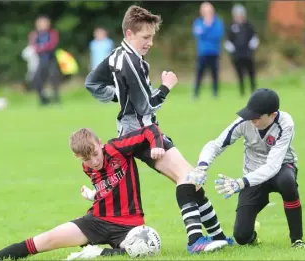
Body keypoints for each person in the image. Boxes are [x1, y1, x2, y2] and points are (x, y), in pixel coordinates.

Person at [85, 5, 231, 254]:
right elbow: (147, 106)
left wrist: (120, 98)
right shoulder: (131, 62)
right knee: (186, 177)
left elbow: (92, 83)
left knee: (189, 178)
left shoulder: (116, 55)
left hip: (136, 132)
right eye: (145, 37)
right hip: (142, 135)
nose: (150, 42)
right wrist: (167, 86)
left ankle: (218, 235)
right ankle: (196, 240)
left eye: (152, 37)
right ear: (130, 34)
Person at [0, 125, 168, 261]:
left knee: (140, 251)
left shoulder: (116, 148)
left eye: (96, 153)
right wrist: (93, 196)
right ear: (77, 157)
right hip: (96, 221)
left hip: (129, 224)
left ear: (100, 143)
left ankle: (98, 252)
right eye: (87, 159)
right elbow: (109, 191)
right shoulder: (87, 168)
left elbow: (150, 130)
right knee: (47, 239)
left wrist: (157, 146)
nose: (94, 161)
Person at [196, 88, 305, 248]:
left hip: (281, 167)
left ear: (272, 115)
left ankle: (297, 240)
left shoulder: (285, 123)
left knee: (287, 181)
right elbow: (215, 145)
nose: (251, 120)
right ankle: (252, 234)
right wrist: (202, 167)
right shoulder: (244, 122)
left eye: (256, 117)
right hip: (252, 174)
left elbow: (272, 166)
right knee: (241, 236)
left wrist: (240, 183)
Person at [224, 4, 259, 96]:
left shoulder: (248, 25)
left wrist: (252, 47)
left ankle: (253, 90)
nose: (239, 16)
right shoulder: (231, 26)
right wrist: (231, 49)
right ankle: (242, 91)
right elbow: (228, 40)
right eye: (237, 14)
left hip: (248, 53)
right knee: (240, 73)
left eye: (240, 14)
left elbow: (254, 38)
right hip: (237, 55)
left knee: (251, 72)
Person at [192, 2, 224, 99]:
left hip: (214, 52)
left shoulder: (218, 22)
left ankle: (215, 93)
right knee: (199, 74)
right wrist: (206, 26)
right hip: (202, 52)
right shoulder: (198, 22)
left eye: (209, 11)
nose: (207, 13)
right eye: (205, 11)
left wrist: (206, 31)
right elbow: (197, 34)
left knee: (215, 74)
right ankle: (196, 93)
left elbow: (218, 35)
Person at [28, 15, 61, 105]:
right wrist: (42, 48)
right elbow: (34, 46)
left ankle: (56, 99)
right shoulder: (34, 34)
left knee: (54, 80)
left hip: (51, 60)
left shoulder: (52, 33)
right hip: (41, 61)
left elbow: (52, 45)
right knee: (37, 80)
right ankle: (43, 99)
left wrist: (42, 47)